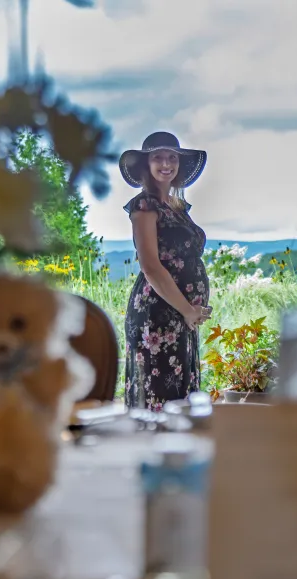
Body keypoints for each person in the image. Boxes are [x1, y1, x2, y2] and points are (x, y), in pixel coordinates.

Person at [120, 132, 212, 410]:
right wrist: (186, 309)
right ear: (146, 165)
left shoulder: (178, 207)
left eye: (172, 157)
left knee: (181, 395)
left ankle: (179, 452)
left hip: (181, 315)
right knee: (158, 398)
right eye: (157, 157)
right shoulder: (145, 205)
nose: (166, 163)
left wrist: (190, 311)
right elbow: (150, 266)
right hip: (157, 314)